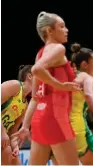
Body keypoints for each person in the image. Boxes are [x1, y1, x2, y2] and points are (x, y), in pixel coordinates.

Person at [13, 11, 81, 165]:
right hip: (56, 118)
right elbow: (36, 69)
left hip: (40, 119)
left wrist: (25, 126)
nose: (66, 30)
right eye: (62, 26)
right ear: (49, 31)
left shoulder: (40, 54)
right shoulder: (59, 49)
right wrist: (61, 85)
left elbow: (36, 96)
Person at [51, 43, 93, 165]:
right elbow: (90, 95)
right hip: (76, 128)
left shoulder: (62, 77)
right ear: (85, 65)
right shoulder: (86, 77)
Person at [1, 65, 33, 165]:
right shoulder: (15, 85)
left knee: (15, 160)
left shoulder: (25, 105)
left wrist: (15, 146)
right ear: (30, 76)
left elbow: (12, 131)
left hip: (2, 136)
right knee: (6, 152)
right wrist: (2, 132)